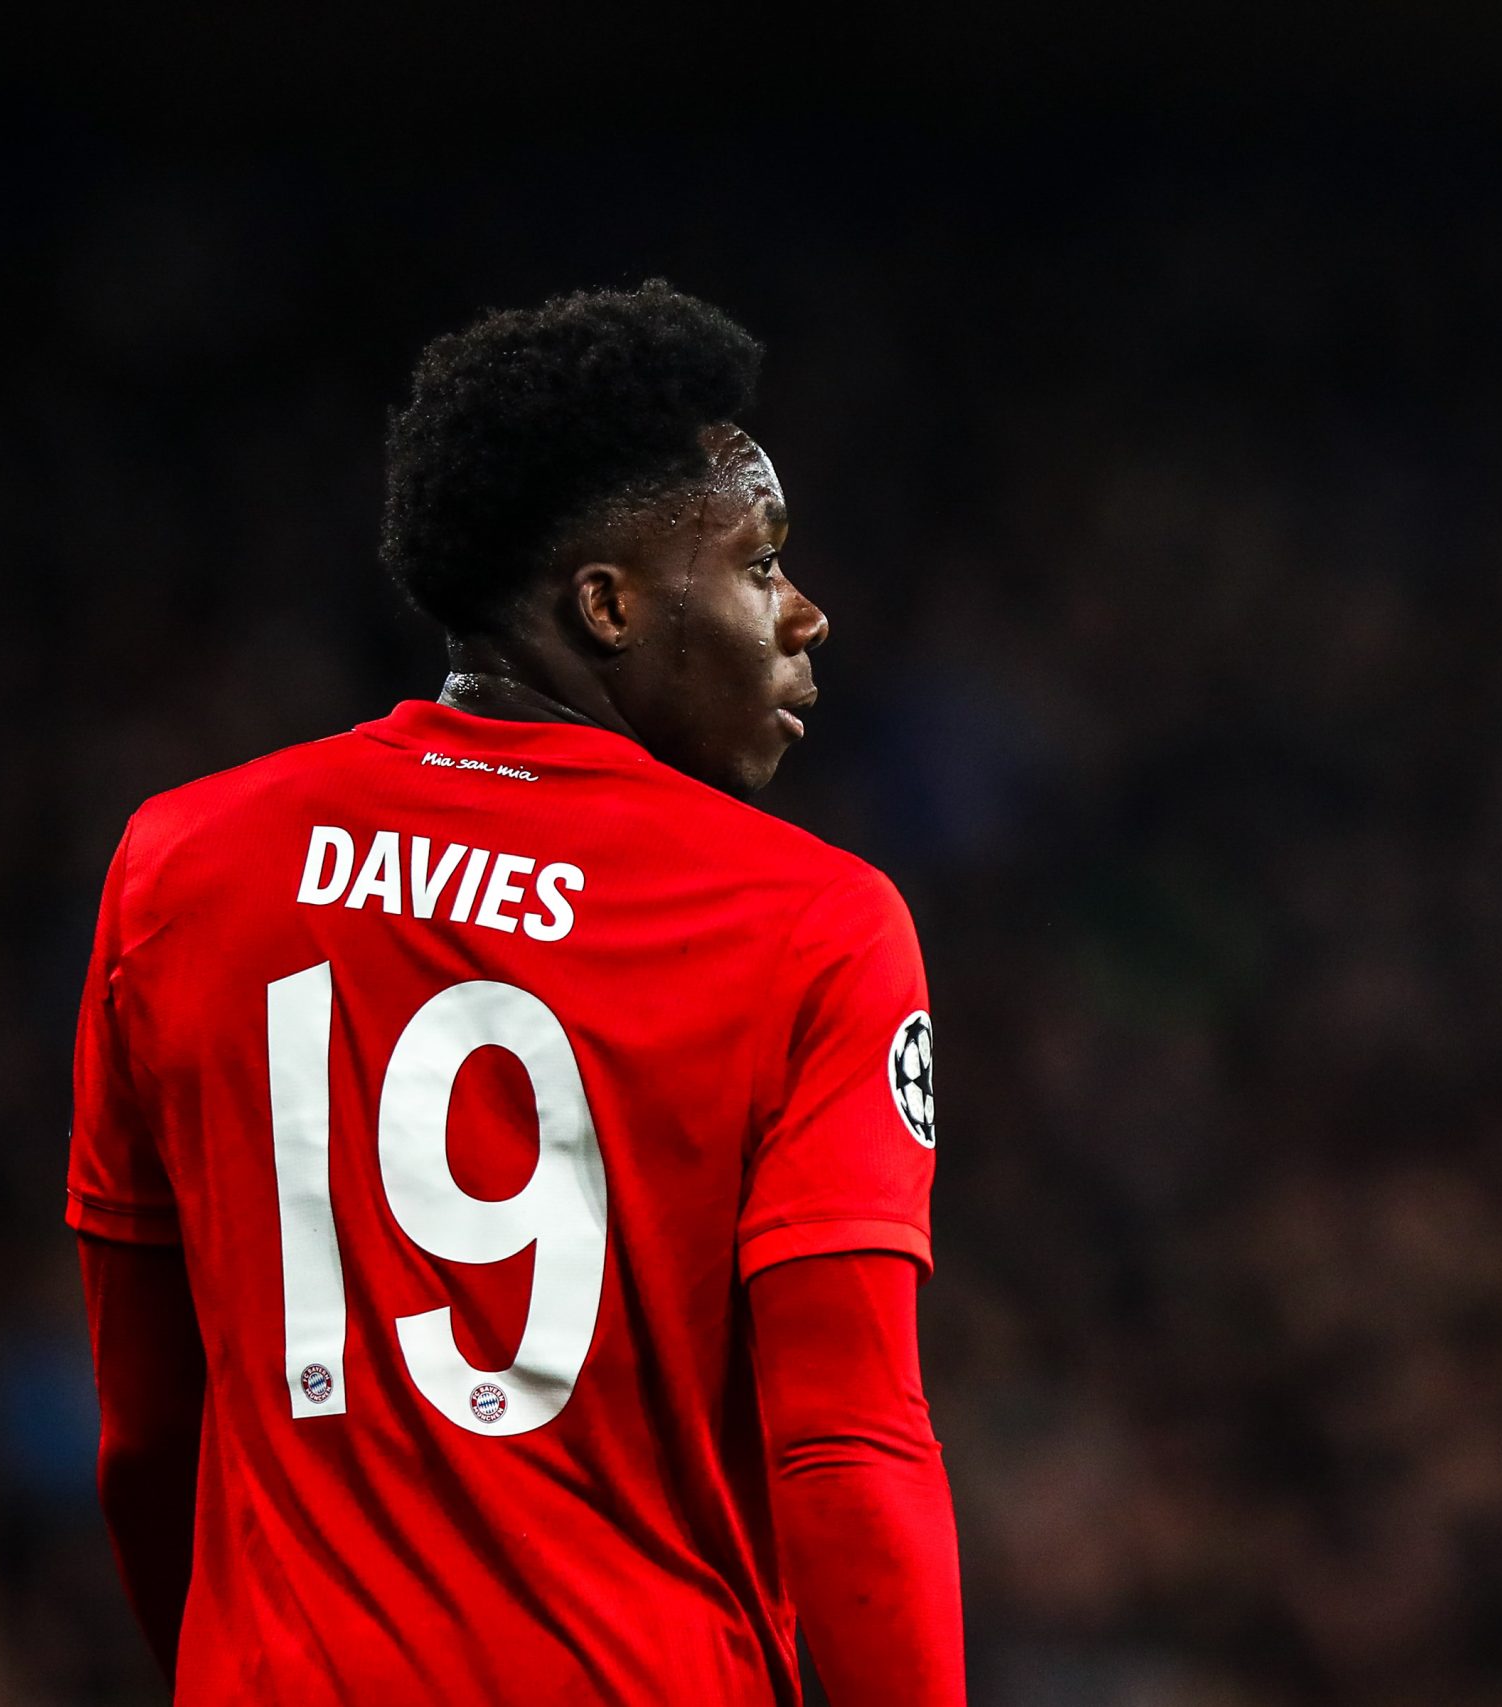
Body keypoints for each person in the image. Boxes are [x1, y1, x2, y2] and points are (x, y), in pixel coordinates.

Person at [67, 282, 964, 1705]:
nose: (807, 613)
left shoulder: (182, 867)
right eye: (759, 560)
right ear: (604, 605)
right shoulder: (811, 924)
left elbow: (146, 1434)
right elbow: (848, 1447)